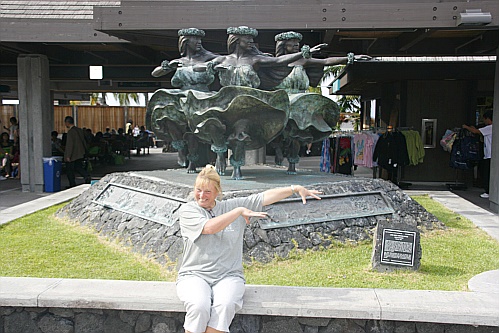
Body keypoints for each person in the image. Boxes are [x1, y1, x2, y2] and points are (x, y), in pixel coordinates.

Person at [177, 164, 322, 333]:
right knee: (199, 306)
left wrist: (294, 188)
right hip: (194, 275)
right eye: (198, 190)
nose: (202, 195)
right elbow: (209, 228)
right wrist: (238, 212)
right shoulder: (188, 210)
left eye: (207, 191)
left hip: (228, 276)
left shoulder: (230, 206)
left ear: (217, 192)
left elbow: (264, 197)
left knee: (225, 305)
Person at [463, 110, 493, 198]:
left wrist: (466, 127)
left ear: (488, 119)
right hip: (489, 154)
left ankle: (488, 191)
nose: (484, 121)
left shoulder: (490, 127)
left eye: (484, 119)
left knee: (487, 173)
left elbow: (476, 132)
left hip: (490, 155)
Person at [64, 116, 91, 188]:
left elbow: (70, 144)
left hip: (73, 154)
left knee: (69, 170)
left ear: (67, 122)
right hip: (80, 152)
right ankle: (86, 175)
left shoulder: (70, 132)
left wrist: (68, 155)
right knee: (78, 167)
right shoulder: (79, 130)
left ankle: (72, 184)